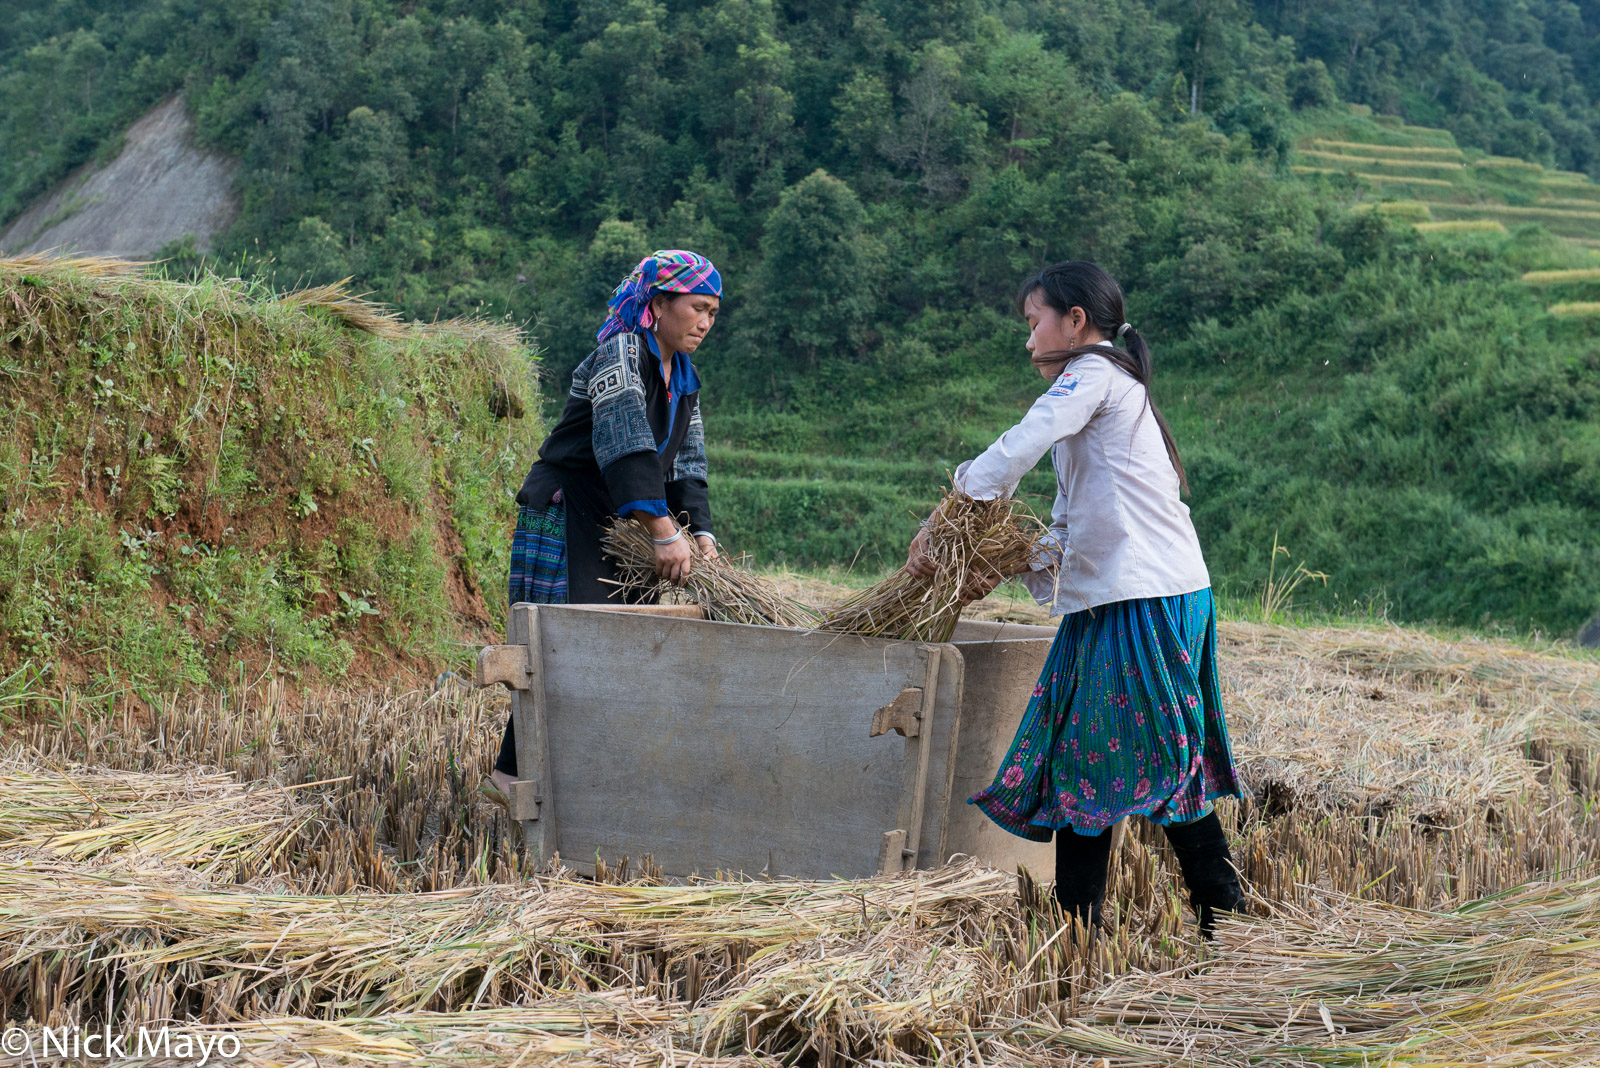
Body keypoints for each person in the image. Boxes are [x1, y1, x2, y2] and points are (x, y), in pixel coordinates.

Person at [906, 260, 1246, 937]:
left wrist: (952, 512)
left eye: (1034, 323)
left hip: (1147, 598)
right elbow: (1070, 526)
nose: (1029, 339)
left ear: (1076, 322)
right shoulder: (1106, 388)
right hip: (1118, 599)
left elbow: (1019, 445)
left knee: (1160, 758)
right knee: (1079, 758)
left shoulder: (1091, 377)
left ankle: (1226, 916)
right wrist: (1004, 564)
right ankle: (1077, 930)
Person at [488, 249, 722, 799]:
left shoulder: (683, 376)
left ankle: (583, 787)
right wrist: (665, 533)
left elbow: (687, 465)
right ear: (659, 304)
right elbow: (625, 449)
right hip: (575, 511)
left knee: (621, 653)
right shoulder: (620, 353)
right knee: (564, 650)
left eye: (713, 312)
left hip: (629, 523)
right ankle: (510, 780)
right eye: (697, 307)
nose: (706, 322)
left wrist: (701, 535)